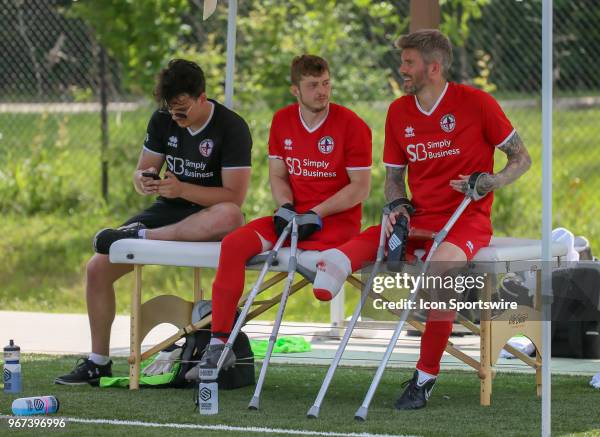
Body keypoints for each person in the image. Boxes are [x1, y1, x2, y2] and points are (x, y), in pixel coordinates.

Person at [312, 29, 532, 410]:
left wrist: (489, 181)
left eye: (408, 62)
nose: (401, 70)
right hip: (422, 214)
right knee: (378, 233)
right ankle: (335, 264)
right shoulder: (399, 112)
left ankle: (425, 377)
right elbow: (394, 178)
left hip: (467, 217)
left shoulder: (477, 103)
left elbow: (521, 159)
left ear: (433, 67)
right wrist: (398, 204)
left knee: (440, 270)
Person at [55, 59, 252, 385]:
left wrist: (183, 188)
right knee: (96, 268)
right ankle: (98, 362)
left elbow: (234, 197)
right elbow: (142, 170)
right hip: (168, 210)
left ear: (202, 98)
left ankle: (143, 237)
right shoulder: (163, 119)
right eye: (170, 110)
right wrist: (143, 180)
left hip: (210, 214)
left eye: (182, 110)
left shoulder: (231, 127)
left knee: (232, 215)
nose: (176, 118)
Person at [184, 54, 372, 378]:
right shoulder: (283, 120)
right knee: (233, 245)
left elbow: (360, 189)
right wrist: (285, 205)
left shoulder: (352, 125)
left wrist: (317, 212)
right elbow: (278, 175)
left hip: (333, 224)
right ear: (295, 90)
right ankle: (219, 344)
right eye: (313, 86)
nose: (322, 92)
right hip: (292, 219)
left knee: (315, 253)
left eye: (326, 83)